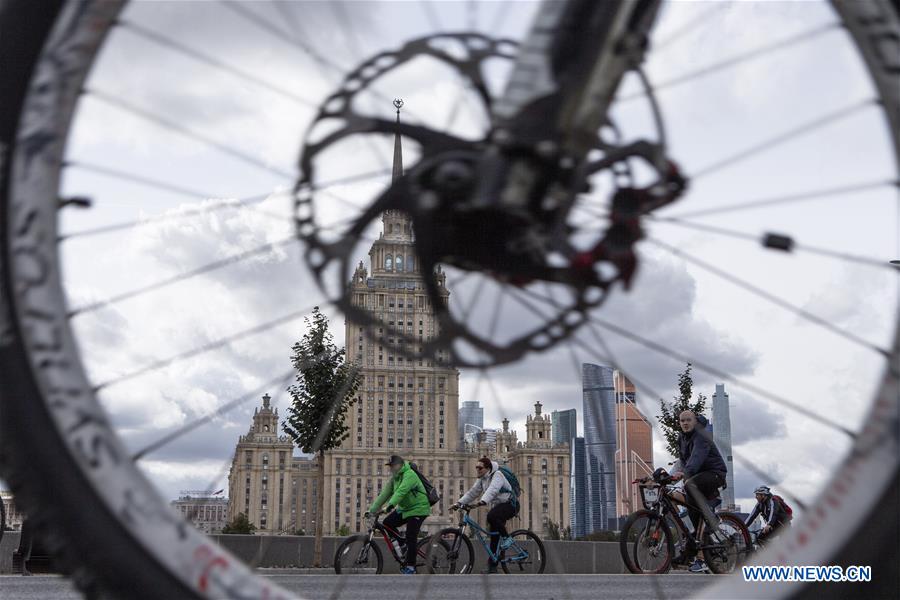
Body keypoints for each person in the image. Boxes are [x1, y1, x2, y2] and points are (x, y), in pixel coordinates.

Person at [670, 410, 728, 573]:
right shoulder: (681, 438)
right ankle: (692, 549)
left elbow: (696, 458)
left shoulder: (701, 436)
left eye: (688, 420)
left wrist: (684, 474)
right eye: (682, 421)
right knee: (686, 503)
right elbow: (682, 461)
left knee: (689, 485)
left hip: (714, 474)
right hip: (696, 477)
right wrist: (663, 477)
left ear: (695, 421)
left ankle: (709, 520)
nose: (685, 423)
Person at [366, 455, 431, 574]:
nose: (391, 469)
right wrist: (372, 510)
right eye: (390, 466)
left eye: (393, 466)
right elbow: (384, 494)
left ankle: (411, 567)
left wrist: (390, 506)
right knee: (387, 523)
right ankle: (402, 543)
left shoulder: (409, 474)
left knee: (411, 537)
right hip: (405, 509)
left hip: (419, 508)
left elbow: (401, 492)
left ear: (400, 465)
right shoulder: (394, 479)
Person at [450, 457, 516, 574]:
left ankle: (507, 539)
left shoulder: (497, 475)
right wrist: (459, 503)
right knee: (494, 535)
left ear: (488, 468)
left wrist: (483, 501)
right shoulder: (482, 479)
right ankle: (493, 566)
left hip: (510, 504)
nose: (478, 470)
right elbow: (472, 492)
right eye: (476, 467)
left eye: (480, 468)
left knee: (491, 516)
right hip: (499, 506)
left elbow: (493, 490)